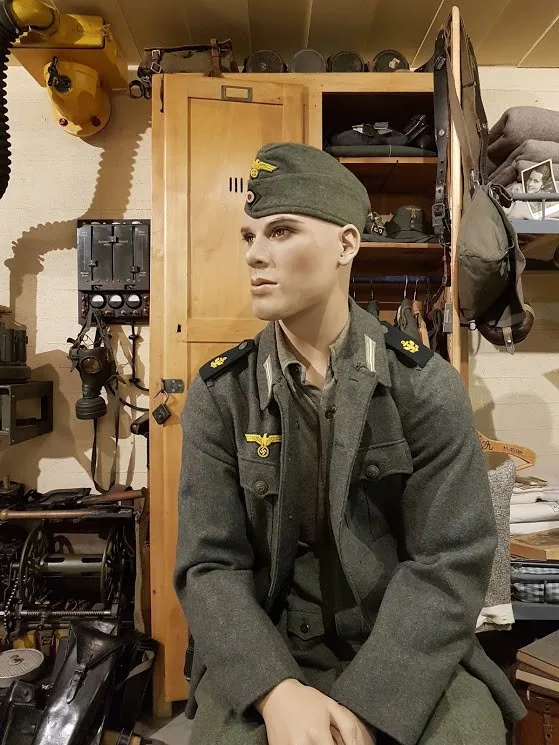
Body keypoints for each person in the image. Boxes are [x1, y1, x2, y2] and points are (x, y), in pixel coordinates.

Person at [174, 143, 526, 745]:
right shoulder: (221, 395)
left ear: (346, 244)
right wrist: (276, 691)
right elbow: (210, 567)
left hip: (401, 650)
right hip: (268, 651)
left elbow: (450, 560)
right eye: (249, 236)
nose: (254, 254)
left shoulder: (424, 387)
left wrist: (368, 709)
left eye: (281, 231)